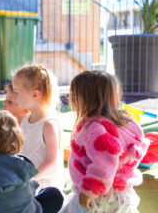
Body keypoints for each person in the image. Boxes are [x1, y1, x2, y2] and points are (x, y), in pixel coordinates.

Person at [60, 71, 149, 213]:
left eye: (75, 96)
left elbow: (105, 164)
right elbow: (137, 146)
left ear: (91, 100)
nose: (71, 99)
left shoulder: (95, 128)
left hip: (99, 198)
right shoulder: (125, 122)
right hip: (120, 193)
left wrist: (90, 190)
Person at [12, 64, 65, 212]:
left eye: (17, 93)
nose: (15, 97)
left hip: (45, 187)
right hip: (26, 183)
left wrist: (29, 178)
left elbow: (51, 161)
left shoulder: (49, 124)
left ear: (35, 94)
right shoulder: (25, 120)